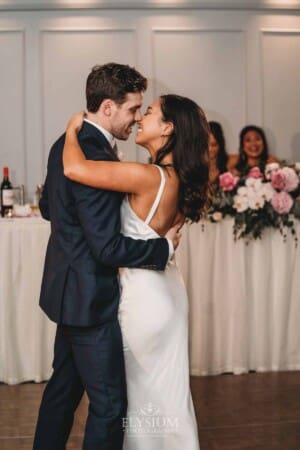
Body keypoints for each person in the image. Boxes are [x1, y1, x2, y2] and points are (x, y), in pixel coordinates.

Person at [33, 63, 180, 450]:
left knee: (63, 391)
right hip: (90, 299)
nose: (136, 118)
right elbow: (107, 248)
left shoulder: (66, 144)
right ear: (109, 107)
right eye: (133, 109)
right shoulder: (92, 152)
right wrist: (162, 248)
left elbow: (48, 207)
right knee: (110, 405)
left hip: (67, 292)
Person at [62, 93, 209, 449]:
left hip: (144, 298)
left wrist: (70, 131)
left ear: (168, 128)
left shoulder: (150, 177)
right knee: (167, 394)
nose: (142, 117)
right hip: (168, 293)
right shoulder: (179, 179)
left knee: (142, 398)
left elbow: (74, 168)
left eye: (151, 112)